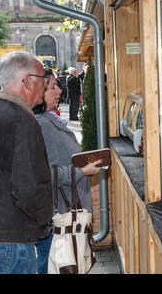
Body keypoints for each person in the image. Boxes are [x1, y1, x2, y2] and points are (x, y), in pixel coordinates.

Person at [0, 51, 53, 274]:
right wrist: (45, 221)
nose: (45, 86)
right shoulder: (22, 120)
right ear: (27, 82)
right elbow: (30, 187)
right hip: (12, 241)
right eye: (43, 79)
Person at [33, 68, 102, 274]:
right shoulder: (42, 124)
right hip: (59, 216)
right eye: (53, 87)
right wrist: (83, 171)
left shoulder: (48, 119)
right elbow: (47, 174)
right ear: (38, 92)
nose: (60, 91)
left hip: (62, 212)